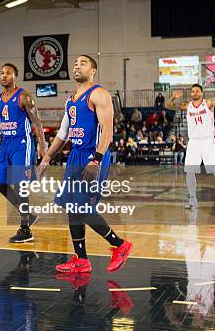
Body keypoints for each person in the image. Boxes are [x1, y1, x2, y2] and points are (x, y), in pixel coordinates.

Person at [37, 55, 133, 274]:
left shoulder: (99, 94)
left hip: (93, 155)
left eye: (83, 63)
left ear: (93, 71)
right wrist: (46, 158)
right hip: (75, 156)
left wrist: (96, 160)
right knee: (72, 207)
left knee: (82, 208)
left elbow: (108, 132)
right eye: (75, 63)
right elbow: (63, 134)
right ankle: (81, 260)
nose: (77, 65)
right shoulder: (70, 100)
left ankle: (120, 245)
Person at [0, 63, 47, 243]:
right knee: (1, 185)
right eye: (1, 72)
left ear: (15, 76)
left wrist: (42, 146)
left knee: (20, 184)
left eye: (8, 73)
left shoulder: (24, 96)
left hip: (23, 142)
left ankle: (25, 228)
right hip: (6, 143)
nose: (4, 75)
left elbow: (36, 122)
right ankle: (28, 215)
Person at [165, 73, 215, 211]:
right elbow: (168, 106)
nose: (194, 93)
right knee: (190, 172)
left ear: (202, 93)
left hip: (207, 142)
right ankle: (192, 200)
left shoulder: (208, 103)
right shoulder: (187, 106)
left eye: (197, 91)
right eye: (192, 91)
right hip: (193, 143)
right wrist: (173, 97)